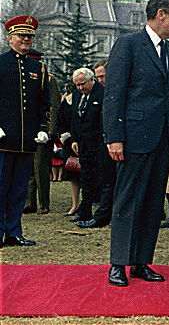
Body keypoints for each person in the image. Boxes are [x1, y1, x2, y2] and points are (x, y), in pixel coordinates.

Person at [103, 0, 169, 287]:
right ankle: (118, 263)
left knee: (152, 204)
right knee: (127, 201)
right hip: (133, 138)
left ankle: (141, 262)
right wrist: (114, 137)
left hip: (162, 141)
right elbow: (114, 93)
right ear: (161, 15)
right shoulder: (128, 45)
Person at [0, 15, 50, 248]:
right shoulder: (1, 64)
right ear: (10, 38)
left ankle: (14, 232)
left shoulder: (37, 67)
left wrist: (42, 129)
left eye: (29, 36)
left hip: (26, 141)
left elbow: (44, 103)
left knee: (20, 190)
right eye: (21, 36)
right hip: (2, 139)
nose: (26, 40)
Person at [76, 61, 117, 229]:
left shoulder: (105, 93)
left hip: (107, 141)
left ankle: (103, 216)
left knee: (108, 181)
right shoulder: (91, 95)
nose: (100, 80)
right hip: (97, 143)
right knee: (102, 181)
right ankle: (96, 214)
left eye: (102, 76)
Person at [24, 50, 60, 215]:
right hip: (28, 131)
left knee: (41, 169)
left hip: (42, 131)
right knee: (28, 170)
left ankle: (43, 203)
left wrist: (50, 131)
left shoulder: (49, 80)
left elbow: (53, 107)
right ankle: (29, 203)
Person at [69, 68, 104, 223]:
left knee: (101, 179)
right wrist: (74, 139)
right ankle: (85, 211)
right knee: (85, 178)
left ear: (91, 80)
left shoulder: (102, 93)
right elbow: (74, 119)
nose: (80, 88)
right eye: (77, 85)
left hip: (99, 144)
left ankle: (102, 213)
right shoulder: (77, 95)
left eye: (83, 84)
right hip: (83, 145)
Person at [57, 87, 81, 216]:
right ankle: (75, 204)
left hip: (85, 139)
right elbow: (60, 120)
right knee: (73, 174)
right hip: (69, 141)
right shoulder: (66, 102)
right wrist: (66, 137)